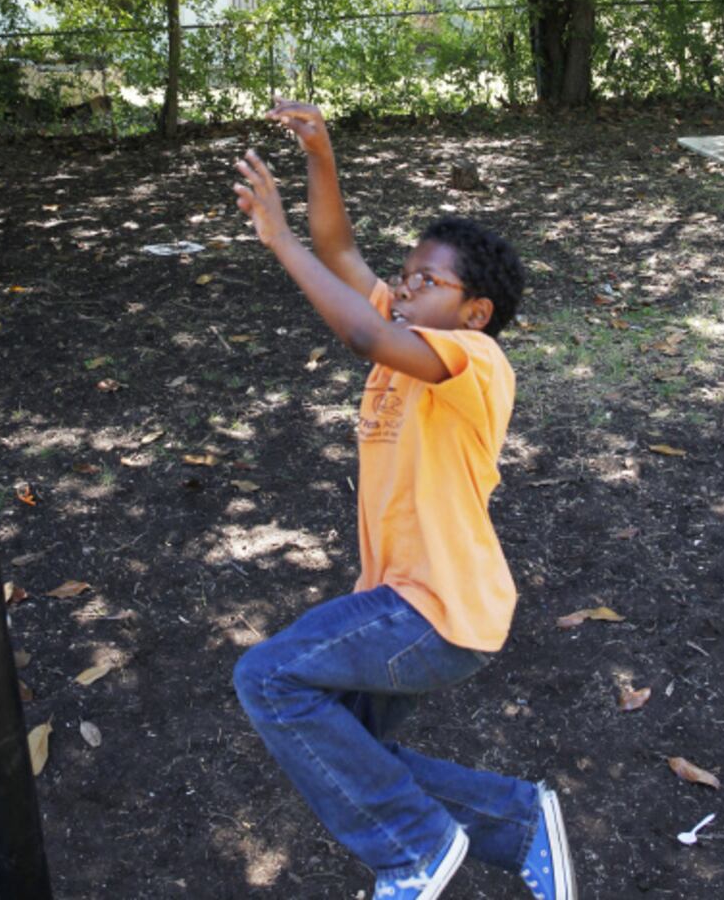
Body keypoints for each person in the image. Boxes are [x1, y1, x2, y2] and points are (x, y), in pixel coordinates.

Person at [232, 100, 576, 900]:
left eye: (428, 281)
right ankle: (517, 820)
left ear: (475, 310)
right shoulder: (412, 335)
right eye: (407, 275)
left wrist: (277, 240)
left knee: (271, 679)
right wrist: (320, 153)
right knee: (341, 744)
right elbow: (340, 249)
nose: (406, 288)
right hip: (399, 600)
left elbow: (359, 329)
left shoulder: (476, 361)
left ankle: (416, 850)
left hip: (438, 606)